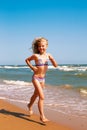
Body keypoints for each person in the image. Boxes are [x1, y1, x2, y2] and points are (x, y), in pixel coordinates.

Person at [25, 37, 58, 123]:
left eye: (43, 46)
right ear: (37, 47)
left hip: (42, 79)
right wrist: (32, 67)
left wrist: (52, 59)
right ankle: (42, 116)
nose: (41, 48)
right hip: (35, 78)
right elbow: (27, 60)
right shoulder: (36, 56)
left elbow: (55, 65)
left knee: (36, 95)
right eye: (39, 46)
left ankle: (29, 105)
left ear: (46, 46)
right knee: (42, 97)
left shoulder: (48, 55)